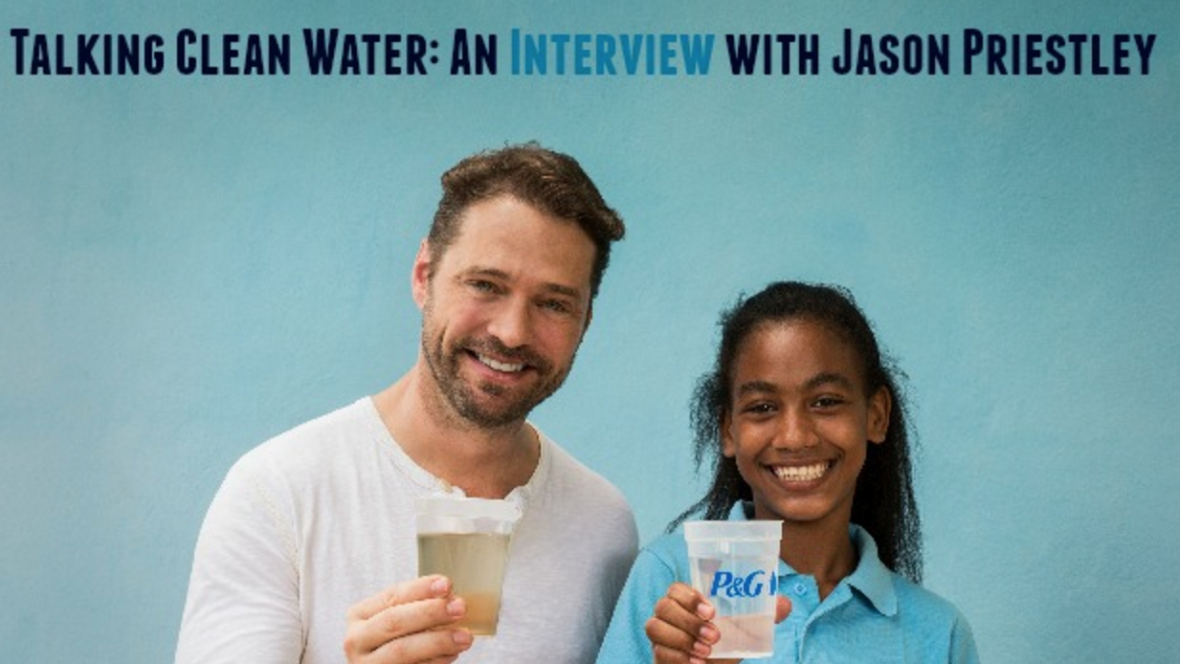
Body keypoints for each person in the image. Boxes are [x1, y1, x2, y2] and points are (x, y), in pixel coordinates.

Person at [176, 143, 639, 664]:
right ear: (424, 276)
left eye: (554, 303)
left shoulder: (605, 526)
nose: (512, 333)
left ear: (586, 323)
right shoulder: (277, 492)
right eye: (485, 285)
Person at [596, 281, 979, 663]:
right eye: (762, 407)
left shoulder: (938, 634)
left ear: (876, 416)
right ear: (728, 429)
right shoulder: (674, 582)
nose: (794, 438)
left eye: (826, 402)